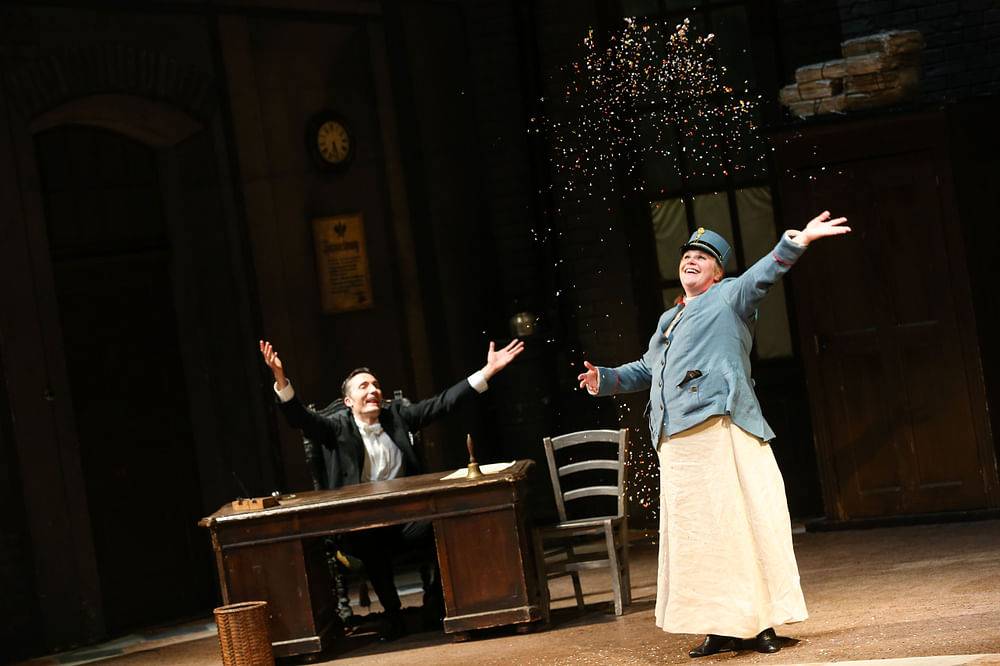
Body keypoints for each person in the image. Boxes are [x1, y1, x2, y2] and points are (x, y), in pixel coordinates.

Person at [577, 212, 850, 657]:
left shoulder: (728, 296)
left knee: (738, 525)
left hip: (718, 428)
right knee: (699, 539)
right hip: (677, 442)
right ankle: (719, 625)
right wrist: (604, 378)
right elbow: (648, 368)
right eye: (687, 255)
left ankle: (759, 623)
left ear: (718, 273)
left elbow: (764, 275)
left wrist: (797, 241)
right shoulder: (669, 319)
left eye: (703, 257)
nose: (691, 260)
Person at [259, 337, 524, 639]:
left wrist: (488, 371)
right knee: (369, 539)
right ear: (348, 402)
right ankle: (393, 614)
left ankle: (436, 602)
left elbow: (443, 403)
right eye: (363, 386)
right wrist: (280, 377)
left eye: (376, 385)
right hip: (359, 525)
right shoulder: (335, 429)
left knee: (445, 523)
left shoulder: (397, 417)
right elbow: (299, 418)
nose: (373, 390)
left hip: (405, 520)